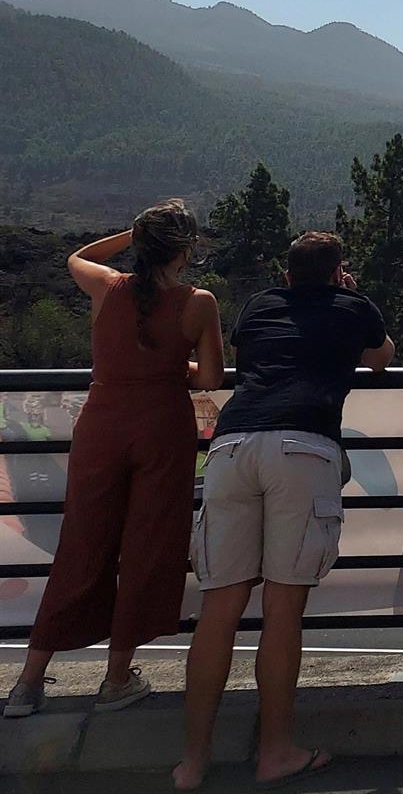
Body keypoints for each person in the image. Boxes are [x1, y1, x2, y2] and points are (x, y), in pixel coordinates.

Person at [173, 233, 394, 791]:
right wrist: (353, 296)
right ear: (338, 271)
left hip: (231, 445)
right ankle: (275, 752)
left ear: (287, 273)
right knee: (282, 612)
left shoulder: (261, 305)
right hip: (303, 445)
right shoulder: (353, 306)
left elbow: (253, 359)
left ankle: (192, 763)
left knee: (218, 608)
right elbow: (383, 358)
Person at [5, 201, 225, 720]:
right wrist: (178, 362)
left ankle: (28, 684)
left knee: (82, 542)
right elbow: (211, 379)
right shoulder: (198, 302)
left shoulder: (106, 286)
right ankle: (116, 678)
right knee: (148, 546)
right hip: (161, 428)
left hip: (101, 424)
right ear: (186, 250)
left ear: (142, 244)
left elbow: (76, 255)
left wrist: (132, 235)